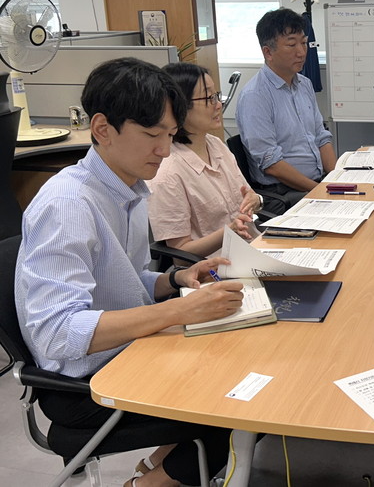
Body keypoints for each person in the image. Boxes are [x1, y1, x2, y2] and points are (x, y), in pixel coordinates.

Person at [15, 58, 245, 487]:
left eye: (170, 136)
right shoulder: (68, 205)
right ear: (103, 129)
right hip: (82, 382)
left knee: (244, 361)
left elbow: (119, 281)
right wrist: (178, 311)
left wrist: (174, 280)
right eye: (152, 135)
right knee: (239, 400)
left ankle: (157, 469)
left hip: (126, 350)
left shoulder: (129, 188)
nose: (164, 150)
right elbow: (57, 333)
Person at [148, 62, 262, 257]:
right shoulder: (168, 172)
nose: (219, 104)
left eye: (216, 95)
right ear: (180, 106)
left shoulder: (215, 144)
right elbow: (180, 254)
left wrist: (257, 200)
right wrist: (228, 232)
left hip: (253, 248)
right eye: (209, 98)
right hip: (216, 267)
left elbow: (249, 197)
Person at [236, 7, 336, 209]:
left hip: (316, 183)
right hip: (282, 193)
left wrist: (336, 180)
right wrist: (321, 191)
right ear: (268, 52)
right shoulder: (255, 96)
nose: (301, 52)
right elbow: (272, 165)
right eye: (291, 45)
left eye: (304, 43)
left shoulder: (304, 84)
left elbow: (321, 137)